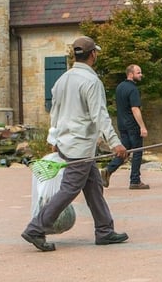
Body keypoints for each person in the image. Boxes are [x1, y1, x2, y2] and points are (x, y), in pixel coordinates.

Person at [21, 36, 129, 251]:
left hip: (67, 142)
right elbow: (100, 115)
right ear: (93, 54)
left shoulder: (63, 79)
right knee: (70, 188)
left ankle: (105, 230)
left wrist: (53, 138)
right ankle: (36, 227)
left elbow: (56, 112)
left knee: (94, 186)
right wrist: (116, 143)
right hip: (80, 146)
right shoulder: (91, 82)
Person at [102, 64, 149, 190]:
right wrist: (142, 127)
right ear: (130, 74)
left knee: (125, 150)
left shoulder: (120, 87)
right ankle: (135, 180)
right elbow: (135, 109)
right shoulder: (133, 89)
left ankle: (108, 169)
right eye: (138, 72)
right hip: (132, 125)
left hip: (122, 124)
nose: (141, 75)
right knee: (137, 151)